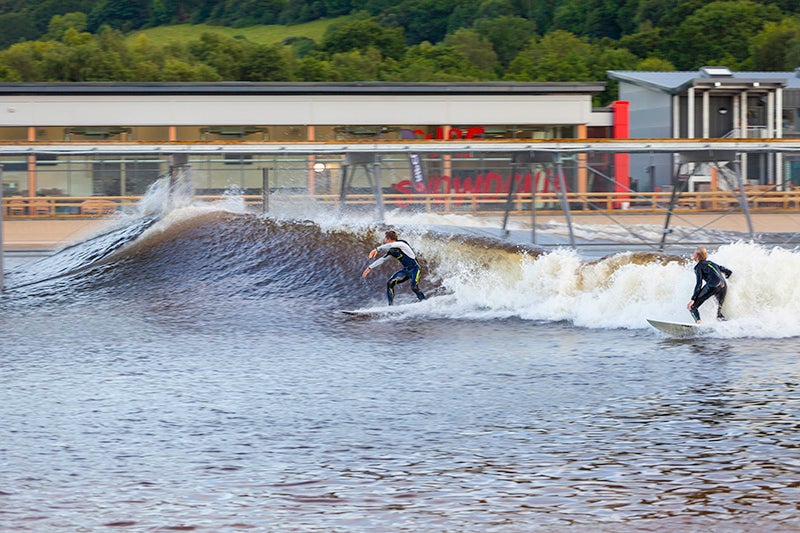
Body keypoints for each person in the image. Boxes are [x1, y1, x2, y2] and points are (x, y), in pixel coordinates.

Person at [362, 230, 426, 305]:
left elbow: (392, 245)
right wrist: (370, 267)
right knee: (390, 283)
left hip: (415, 269)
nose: (384, 240)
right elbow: (383, 259)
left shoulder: (402, 244)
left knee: (414, 287)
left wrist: (377, 249)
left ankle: (424, 302)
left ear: (389, 239)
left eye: (385, 238)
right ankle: (391, 306)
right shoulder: (392, 251)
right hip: (406, 270)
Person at [687, 247, 732, 323]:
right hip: (723, 285)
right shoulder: (712, 263)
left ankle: (699, 324)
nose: (693, 255)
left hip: (713, 284)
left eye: (694, 253)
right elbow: (728, 272)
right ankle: (728, 326)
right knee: (718, 313)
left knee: (692, 307)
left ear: (697, 256)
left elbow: (699, 283)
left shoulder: (698, 267)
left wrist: (693, 299)